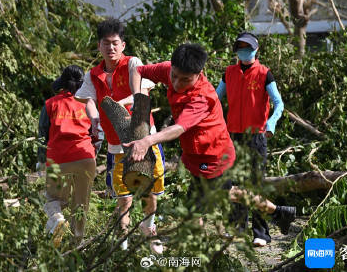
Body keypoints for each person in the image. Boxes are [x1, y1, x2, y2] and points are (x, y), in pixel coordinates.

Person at [74, 18, 165, 254]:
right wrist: (95, 120)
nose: (111, 48)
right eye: (106, 43)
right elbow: (89, 102)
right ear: (99, 46)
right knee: (123, 198)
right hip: (116, 144)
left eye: (115, 43)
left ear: (122, 45)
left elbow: (142, 93)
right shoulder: (92, 75)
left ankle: (149, 228)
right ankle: (122, 244)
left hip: (143, 139)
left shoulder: (134, 63)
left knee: (150, 191)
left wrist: (118, 103)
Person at [125, 43, 237, 225]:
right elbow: (137, 71)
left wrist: (147, 141)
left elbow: (178, 128)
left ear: (199, 74)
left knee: (197, 211)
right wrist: (137, 97)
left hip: (213, 157)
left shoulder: (203, 97)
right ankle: (277, 210)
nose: (176, 83)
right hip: (195, 154)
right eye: (174, 76)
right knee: (226, 194)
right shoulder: (170, 69)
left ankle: (199, 251)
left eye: (185, 80)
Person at [216, 32, 296, 247]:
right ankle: (236, 228)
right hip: (232, 136)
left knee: (255, 183)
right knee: (234, 183)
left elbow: (278, 103)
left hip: (256, 136)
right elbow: (215, 99)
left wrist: (271, 124)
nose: (244, 50)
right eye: (240, 47)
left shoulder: (264, 73)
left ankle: (261, 233)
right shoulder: (229, 73)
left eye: (247, 47)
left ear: (256, 49)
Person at [38, 65, 97, 247]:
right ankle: (76, 245)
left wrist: (41, 160)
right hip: (85, 156)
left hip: (58, 159)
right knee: (81, 205)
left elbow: (42, 134)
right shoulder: (89, 104)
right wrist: (92, 155)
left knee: (54, 200)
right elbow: (98, 134)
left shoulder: (51, 104)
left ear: (62, 83)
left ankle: (57, 222)